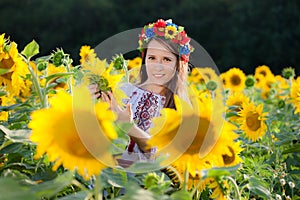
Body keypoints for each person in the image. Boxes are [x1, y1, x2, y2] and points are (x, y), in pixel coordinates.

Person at [89, 19, 194, 167]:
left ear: (178, 65)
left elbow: (164, 157)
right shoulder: (124, 91)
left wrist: (128, 125)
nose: (158, 66)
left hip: (150, 185)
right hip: (111, 180)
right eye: (152, 58)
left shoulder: (183, 109)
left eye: (166, 59)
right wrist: (91, 100)